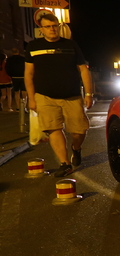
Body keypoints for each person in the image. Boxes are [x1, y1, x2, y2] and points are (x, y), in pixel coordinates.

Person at [24, 14, 94, 177]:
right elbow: (28, 74)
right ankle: (65, 163)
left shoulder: (70, 45)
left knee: (79, 131)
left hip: (72, 95)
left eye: (54, 25)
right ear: (41, 30)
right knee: (53, 129)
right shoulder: (33, 46)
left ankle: (76, 149)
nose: (52, 29)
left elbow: (83, 69)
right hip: (44, 96)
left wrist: (89, 93)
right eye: (47, 26)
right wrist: (32, 98)